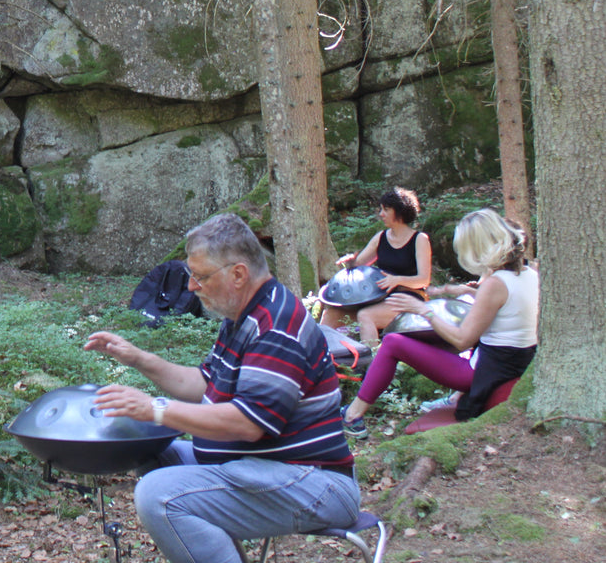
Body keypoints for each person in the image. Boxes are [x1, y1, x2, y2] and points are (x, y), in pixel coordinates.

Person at [86, 213, 358, 563]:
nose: (190, 287)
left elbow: (247, 423)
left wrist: (156, 409)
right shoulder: (243, 316)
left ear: (238, 274)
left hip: (313, 482)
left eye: (200, 277)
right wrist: (139, 358)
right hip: (261, 467)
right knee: (150, 451)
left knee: (158, 495)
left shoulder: (276, 326)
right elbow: (204, 385)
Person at [342, 208, 537, 438]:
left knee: (393, 342)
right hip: (514, 363)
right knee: (428, 338)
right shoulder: (529, 273)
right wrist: (467, 292)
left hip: (485, 373)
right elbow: (506, 308)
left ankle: (352, 416)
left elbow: (462, 340)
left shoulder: (495, 284)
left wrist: (422, 310)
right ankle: (452, 397)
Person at [319, 186, 431, 347]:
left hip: (408, 298)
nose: (381, 214)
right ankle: (320, 355)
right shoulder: (381, 237)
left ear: (400, 211)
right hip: (378, 296)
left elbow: (424, 280)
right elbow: (359, 264)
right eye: (381, 209)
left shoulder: (420, 239)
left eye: (386, 209)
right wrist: (350, 262)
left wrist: (397, 280)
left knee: (366, 315)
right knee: (332, 313)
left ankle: (371, 359)